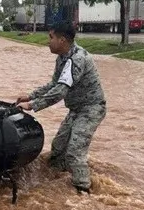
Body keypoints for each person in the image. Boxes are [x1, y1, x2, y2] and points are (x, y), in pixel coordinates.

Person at [14, 21, 106, 194]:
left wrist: (32, 105)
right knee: (58, 147)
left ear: (62, 40)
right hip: (77, 109)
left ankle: (83, 191)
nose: (48, 41)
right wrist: (31, 95)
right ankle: (57, 181)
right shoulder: (62, 58)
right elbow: (54, 84)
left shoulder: (76, 59)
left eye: (51, 37)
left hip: (91, 109)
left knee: (74, 151)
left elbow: (60, 91)